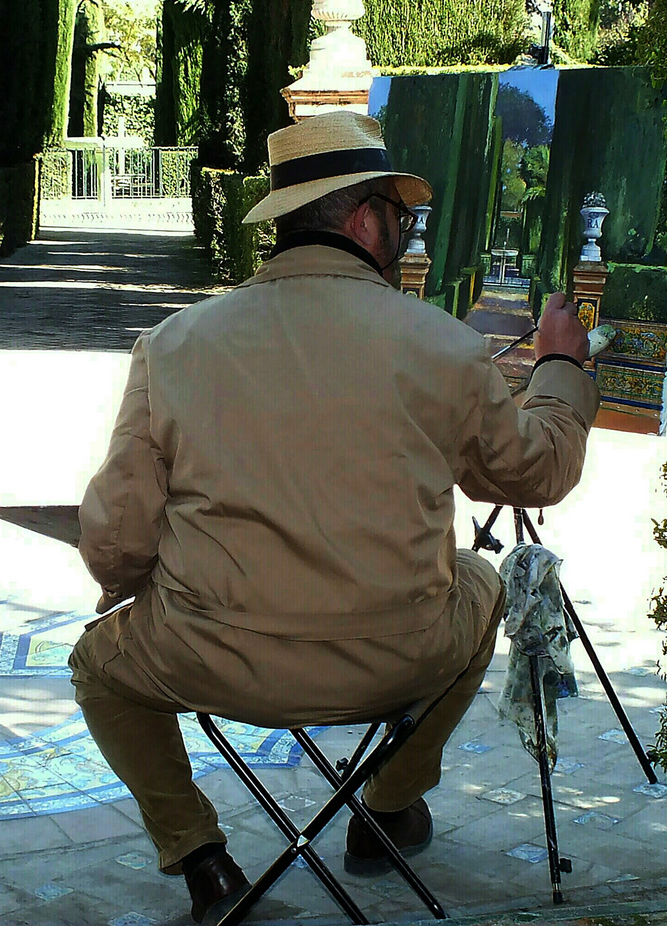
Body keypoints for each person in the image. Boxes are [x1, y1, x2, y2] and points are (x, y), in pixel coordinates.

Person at [70, 109, 599, 924]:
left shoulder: (174, 346)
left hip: (213, 657)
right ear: (364, 220)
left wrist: (138, 585)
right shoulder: (445, 346)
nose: (405, 233)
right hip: (397, 656)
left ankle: (202, 858)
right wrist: (560, 365)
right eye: (402, 217)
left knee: (97, 666)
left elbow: (114, 541)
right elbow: (542, 472)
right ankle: (386, 806)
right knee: (483, 584)